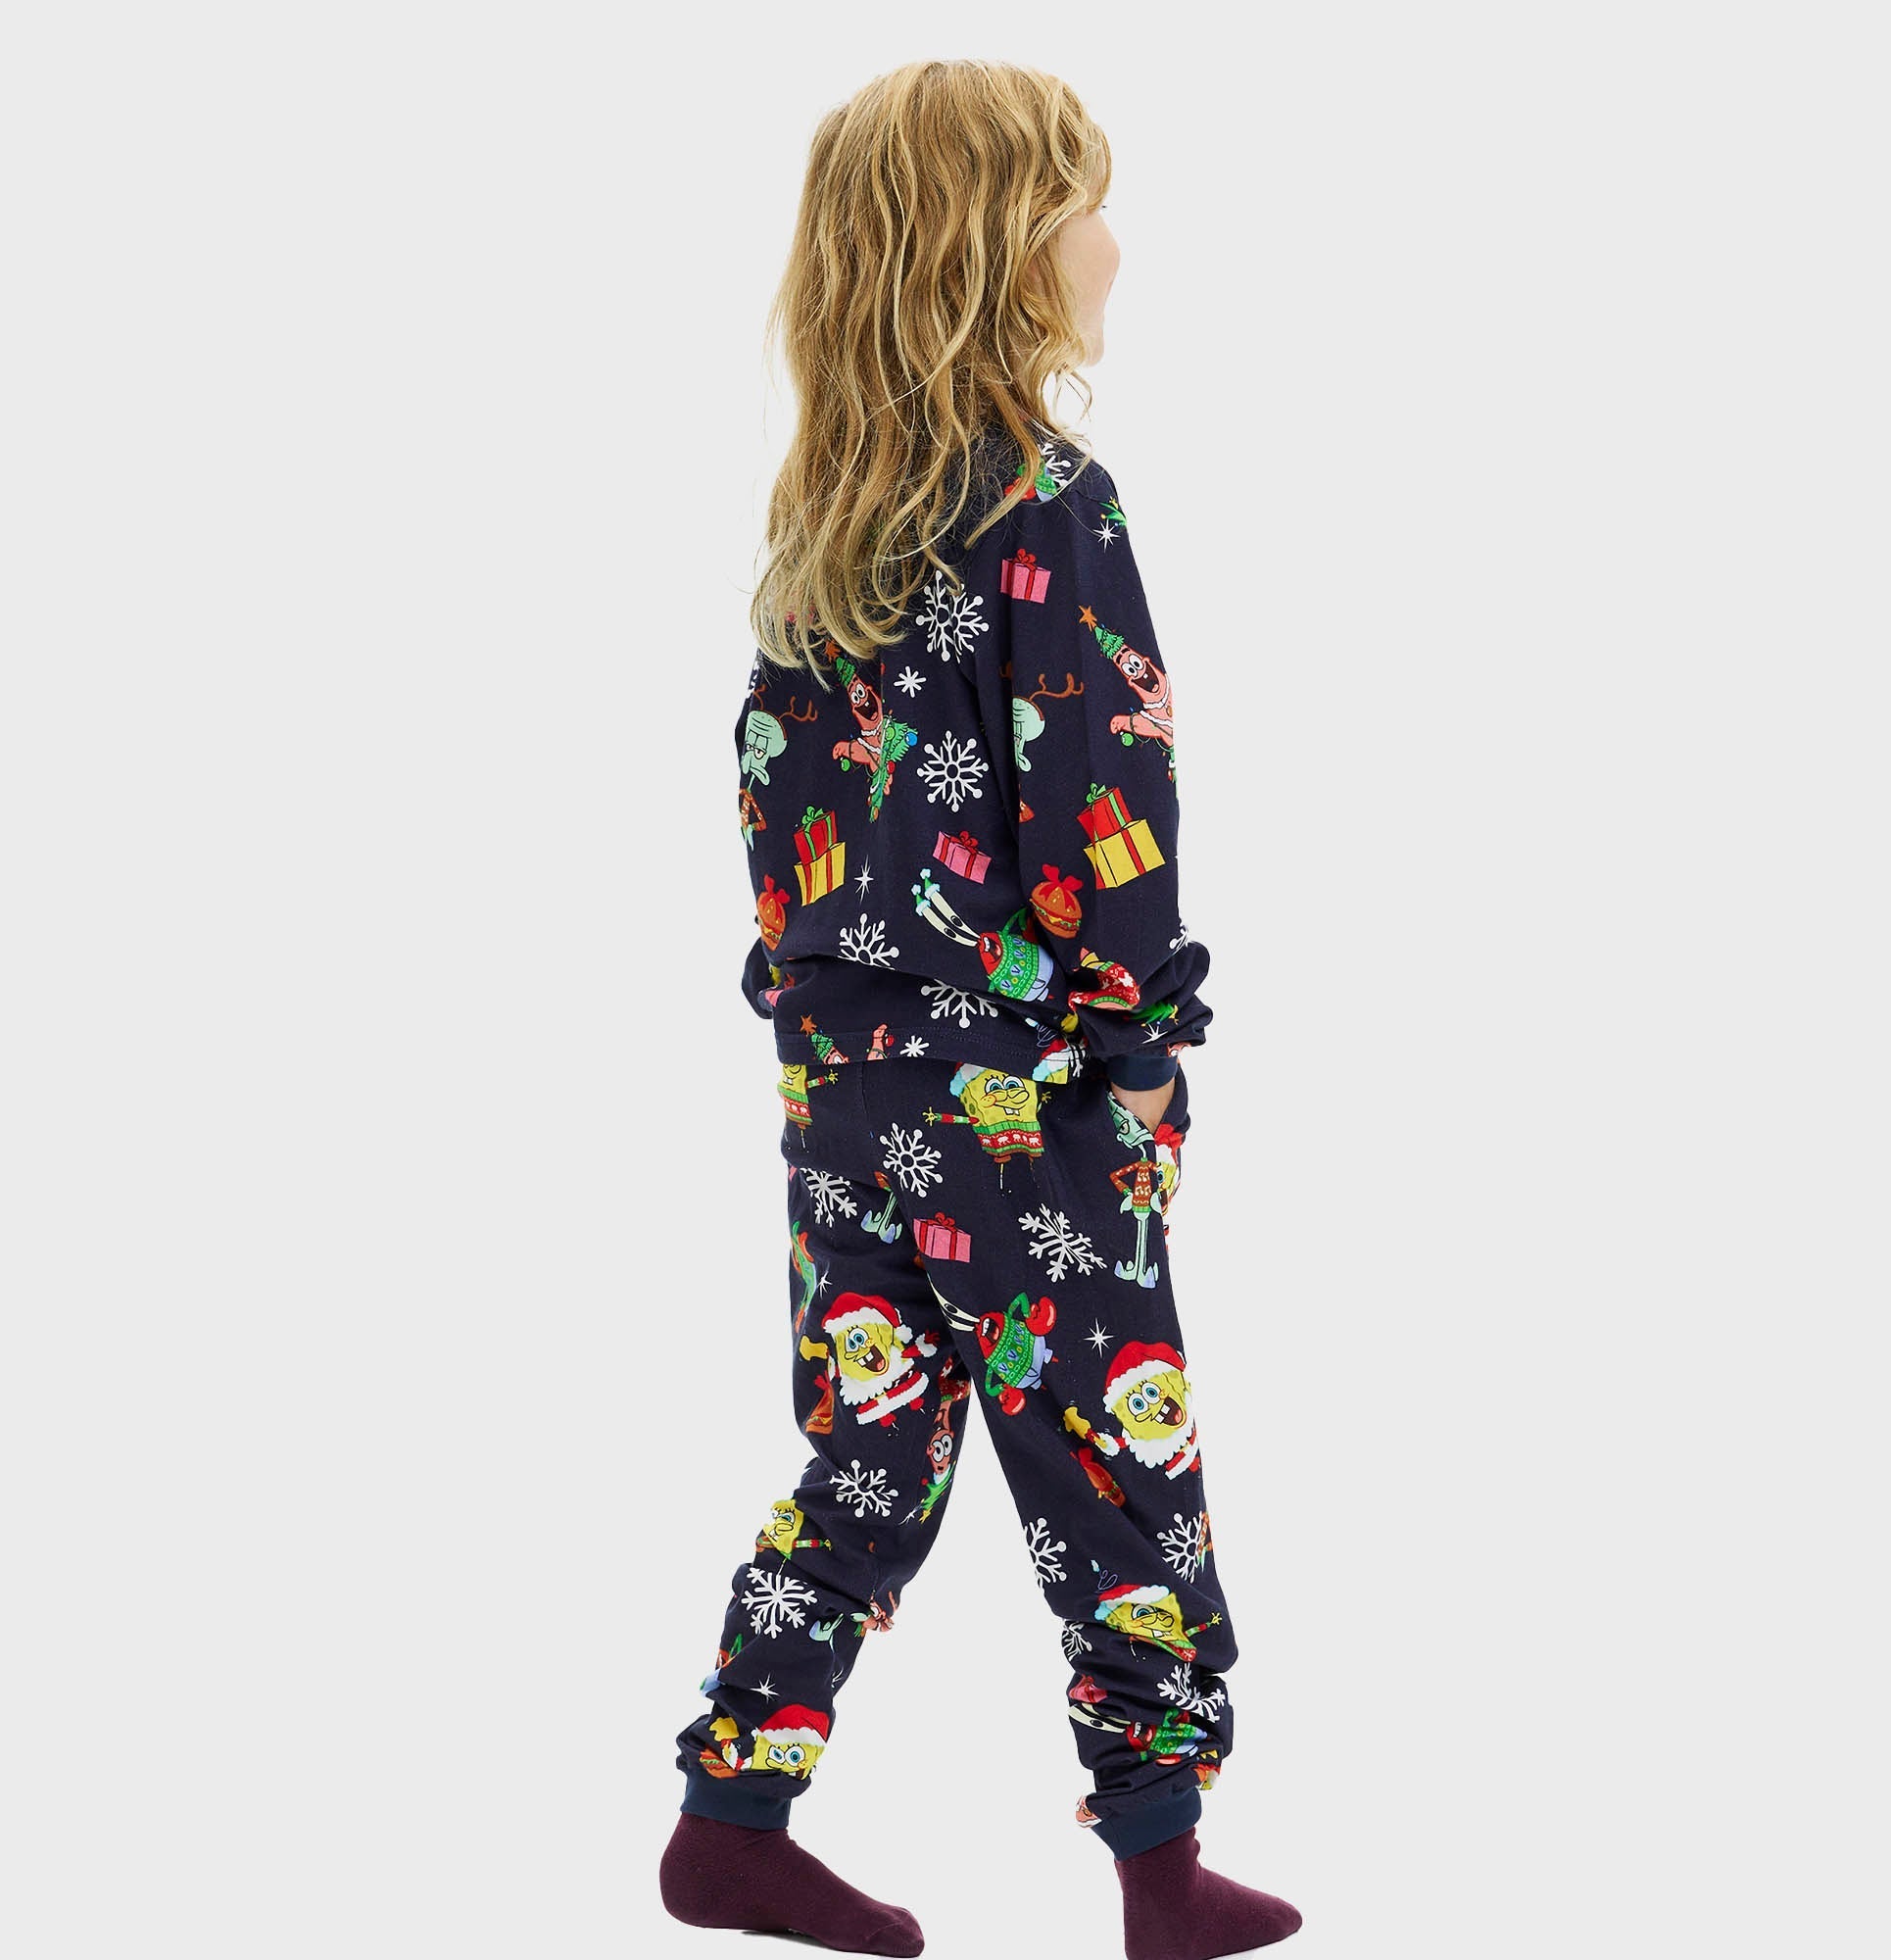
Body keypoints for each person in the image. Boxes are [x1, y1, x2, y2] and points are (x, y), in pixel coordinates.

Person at [661, 60, 1302, 1960]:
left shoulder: (819, 544)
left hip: (841, 1092)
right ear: (1003, 251)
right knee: (1117, 1458)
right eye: (1084, 204)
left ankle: (728, 1817)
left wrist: (824, 1033)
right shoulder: (1049, 506)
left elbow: (775, 828)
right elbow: (1104, 808)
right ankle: (1162, 1868)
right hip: (1021, 1098)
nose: (1112, 242)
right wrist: (1141, 1051)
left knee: (869, 1448)